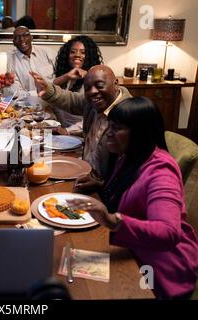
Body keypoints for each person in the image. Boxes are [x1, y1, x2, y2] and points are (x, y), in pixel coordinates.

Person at [68, 97, 198, 299]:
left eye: (117, 128)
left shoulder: (162, 172)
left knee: (79, 287)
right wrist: (102, 185)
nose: (107, 133)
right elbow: (134, 192)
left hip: (159, 268)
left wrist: (112, 221)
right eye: (109, 126)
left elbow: (168, 232)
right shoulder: (130, 154)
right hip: (131, 249)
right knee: (66, 265)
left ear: (140, 132)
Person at [31, 65, 132, 185]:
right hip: (84, 173)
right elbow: (71, 100)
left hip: (105, 189)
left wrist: (102, 183)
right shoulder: (93, 102)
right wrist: (48, 90)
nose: (93, 91)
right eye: (87, 88)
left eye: (99, 86)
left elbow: (131, 168)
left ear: (116, 83)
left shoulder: (129, 116)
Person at [53, 36, 104, 131]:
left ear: (89, 56)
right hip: (62, 131)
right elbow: (50, 91)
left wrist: (68, 131)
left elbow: (95, 117)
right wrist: (66, 76)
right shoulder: (67, 77)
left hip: (81, 133)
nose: (77, 55)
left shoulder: (93, 80)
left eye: (83, 52)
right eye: (73, 51)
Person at [11, 26, 57, 100]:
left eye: (25, 35)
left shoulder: (48, 53)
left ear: (31, 38)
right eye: (17, 37)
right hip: (28, 105)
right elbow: (16, 92)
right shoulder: (11, 61)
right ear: (14, 43)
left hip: (54, 100)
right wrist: (37, 93)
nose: (22, 39)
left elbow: (61, 73)